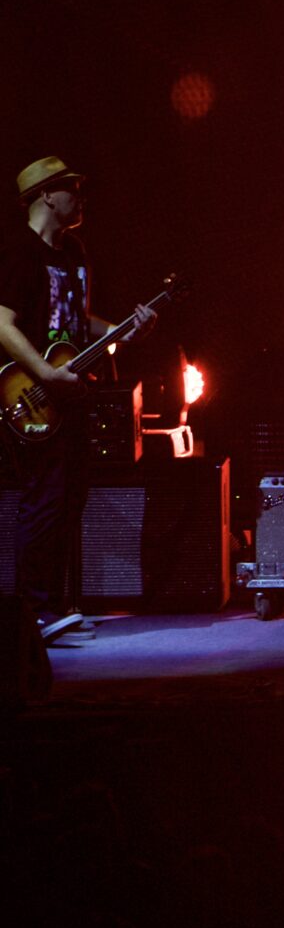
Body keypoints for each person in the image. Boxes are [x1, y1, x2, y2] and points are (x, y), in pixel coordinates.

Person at [2, 156, 151, 638]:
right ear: (47, 195)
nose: (80, 198)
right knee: (44, 498)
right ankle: (33, 612)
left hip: (71, 392)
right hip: (32, 393)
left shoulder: (73, 252)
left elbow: (75, 322)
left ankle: (55, 605)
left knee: (70, 498)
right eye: (72, 189)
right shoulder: (18, 252)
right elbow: (1, 323)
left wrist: (123, 330)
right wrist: (46, 372)